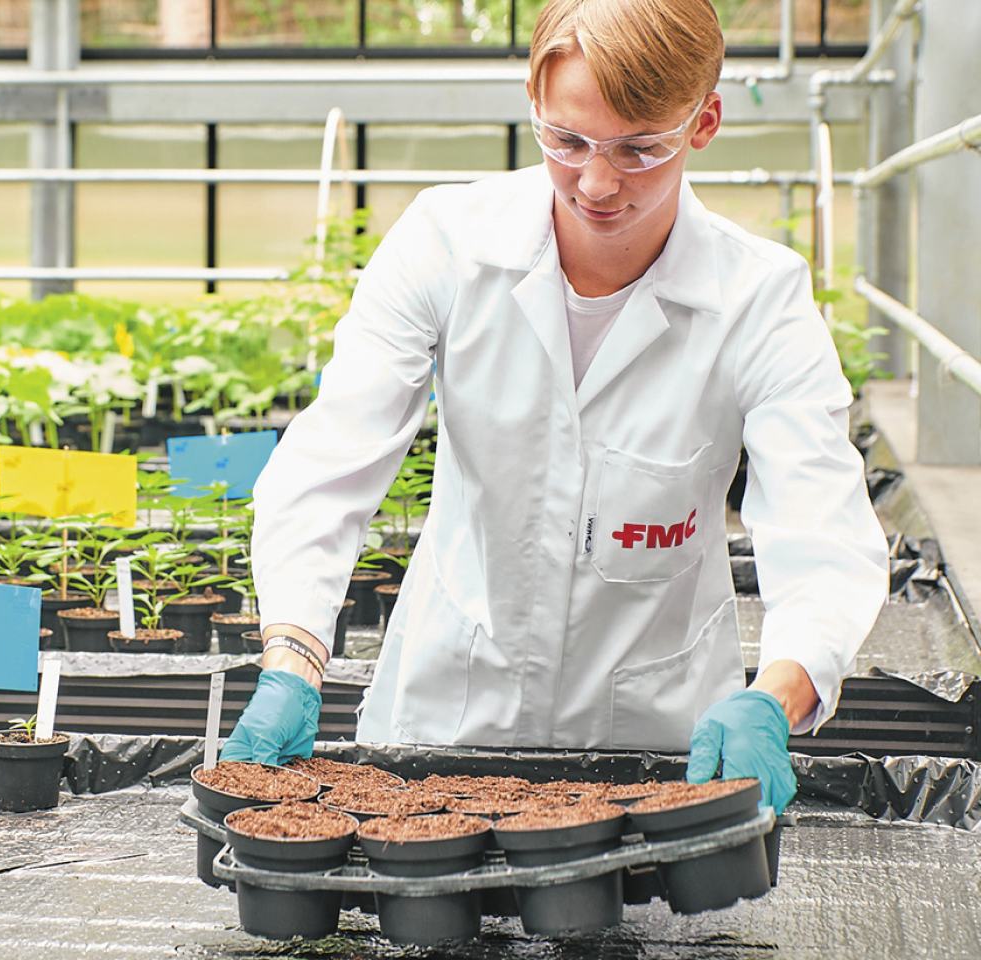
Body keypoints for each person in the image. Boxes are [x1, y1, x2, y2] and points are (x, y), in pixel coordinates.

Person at [218, 0, 888, 814]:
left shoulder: (759, 301)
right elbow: (332, 462)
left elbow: (823, 535)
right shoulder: (447, 244)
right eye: (565, 141)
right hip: (444, 722)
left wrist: (775, 697)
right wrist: (293, 651)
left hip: (655, 749)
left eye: (641, 148)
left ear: (704, 121)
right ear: (533, 107)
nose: (597, 183)